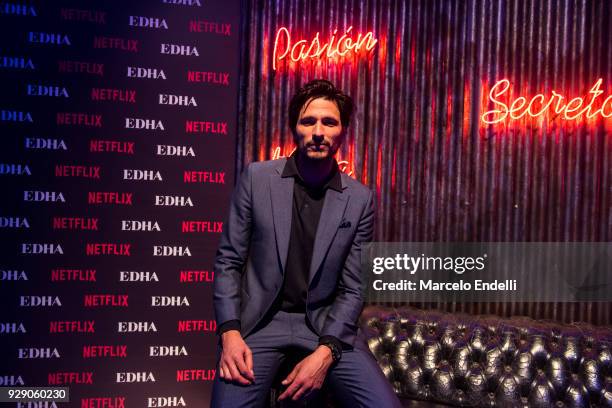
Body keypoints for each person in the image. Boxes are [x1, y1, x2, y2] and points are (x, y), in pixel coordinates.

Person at [211, 79, 401, 407]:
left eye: (329, 122)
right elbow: (229, 261)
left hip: (324, 326)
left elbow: (353, 288)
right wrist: (229, 332)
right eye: (308, 121)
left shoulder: (359, 199)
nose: (318, 131)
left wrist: (326, 352)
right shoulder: (257, 179)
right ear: (294, 128)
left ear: (342, 131)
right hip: (261, 323)